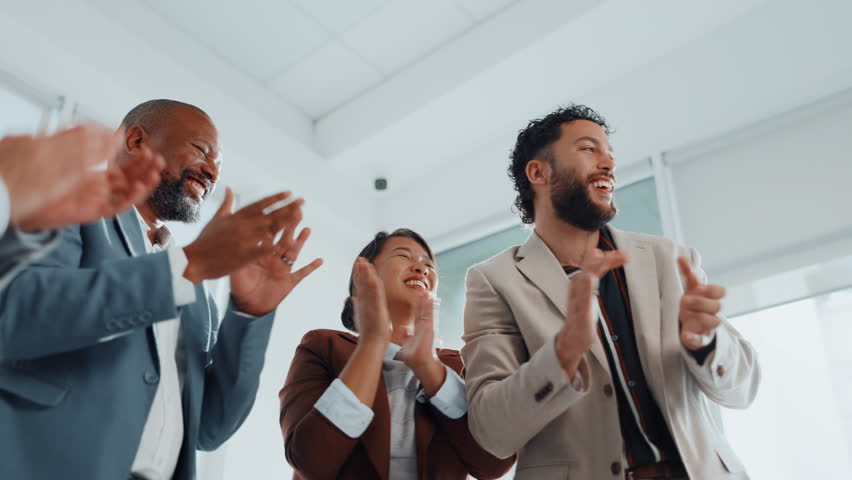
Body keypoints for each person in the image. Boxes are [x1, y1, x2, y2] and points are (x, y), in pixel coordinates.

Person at [0, 99, 322, 480]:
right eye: (203, 151)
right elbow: (18, 317)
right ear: (137, 140)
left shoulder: (195, 289)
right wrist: (190, 267)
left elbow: (211, 428)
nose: (211, 172)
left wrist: (248, 314)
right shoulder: (72, 210)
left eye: (219, 166)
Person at [461, 105, 760, 479]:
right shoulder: (494, 280)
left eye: (610, 155)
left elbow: (742, 389)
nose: (608, 164)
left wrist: (706, 341)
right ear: (539, 172)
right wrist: (563, 352)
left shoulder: (670, 259)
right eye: (589, 149)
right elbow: (492, 432)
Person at [279, 229, 514, 480]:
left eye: (428, 264)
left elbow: (494, 463)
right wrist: (372, 343)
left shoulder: (458, 365)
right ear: (364, 275)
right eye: (404, 256)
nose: (422, 269)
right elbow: (310, 460)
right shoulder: (324, 346)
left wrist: (428, 367)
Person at [0, 125, 163, 287]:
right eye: (190, 145)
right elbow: (26, 299)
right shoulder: (83, 218)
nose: (190, 161)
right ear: (136, 140)